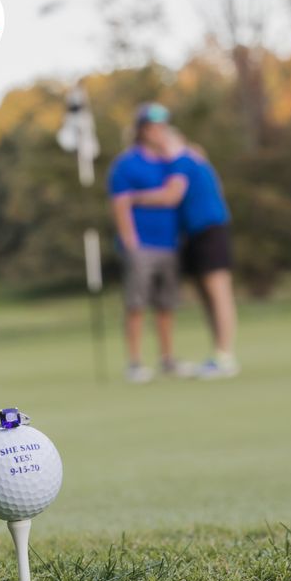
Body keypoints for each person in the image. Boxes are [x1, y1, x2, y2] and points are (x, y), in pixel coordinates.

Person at [131, 128, 239, 379]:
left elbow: (171, 196)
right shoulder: (192, 159)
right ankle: (219, 354)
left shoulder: (182, 160)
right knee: (208, 296)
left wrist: (132, 198)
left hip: (209, 230)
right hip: (198, 232)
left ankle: (224, 356)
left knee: (218, 293)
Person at [107, 104, 193, 383]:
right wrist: (131, 242)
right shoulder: (126, 163)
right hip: (140, 244)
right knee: (136, 304)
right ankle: (134, 363)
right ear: (142, 130)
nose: (160, 132)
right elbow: (120, 204)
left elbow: (174, 195)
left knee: (166, 304)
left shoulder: (170, 161)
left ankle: (168, 360)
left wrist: (141, 197)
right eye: (154, 127)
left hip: (168, 242)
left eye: (163, 127)